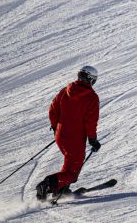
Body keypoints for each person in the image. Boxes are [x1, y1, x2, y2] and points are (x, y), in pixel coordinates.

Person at [35, 65, 101, 200]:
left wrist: (56, 128)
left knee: (69, 163)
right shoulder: (91, 97)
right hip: (75, 139)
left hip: (61, 135)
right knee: (72, 172)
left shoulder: (65, 90)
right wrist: (93, 140)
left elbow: (53, 110)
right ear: (91, 80)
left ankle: (61, 189)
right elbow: (90, 122)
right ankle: (48, 184)